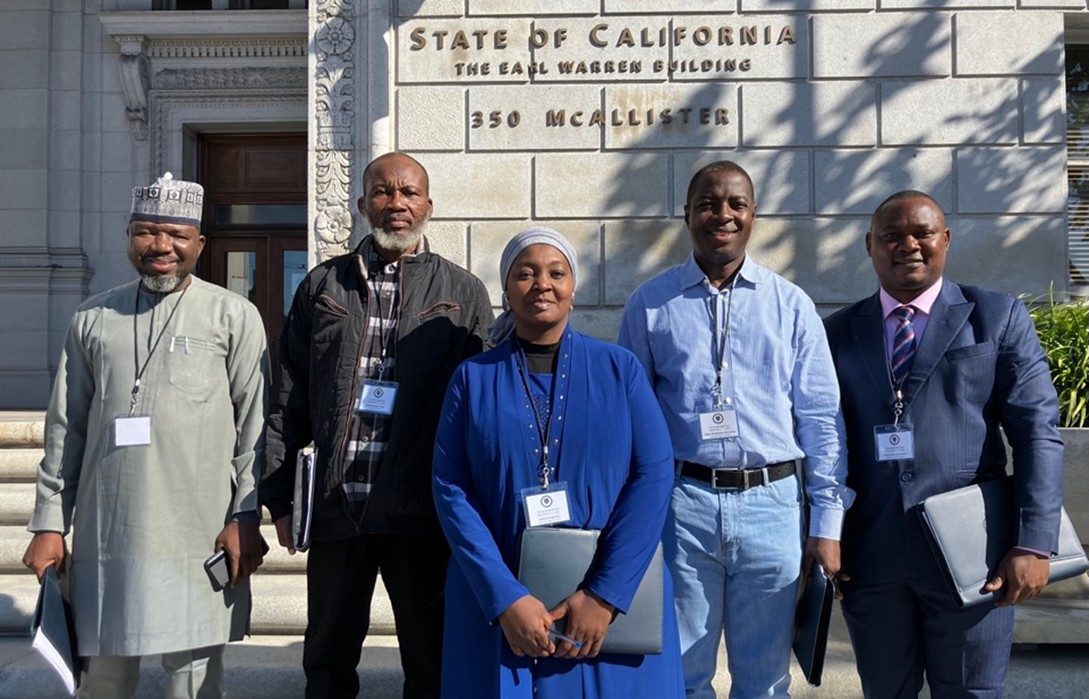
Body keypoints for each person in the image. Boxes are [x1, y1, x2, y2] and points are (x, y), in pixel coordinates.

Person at [21, 173, 268, 698]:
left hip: (199, 534)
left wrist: (245, 516)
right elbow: (66, 426)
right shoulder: (92, 317)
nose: (161, 247)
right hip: (108, 535)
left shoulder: (234, 315)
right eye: (147, 231)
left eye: (177, 235)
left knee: (194, 683)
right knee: (104, 682)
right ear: (128, 236)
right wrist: (48, 523)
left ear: (200, 243)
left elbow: (256, 430)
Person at [261, 152, 494, 698]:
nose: (397, 205)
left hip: (421, 514)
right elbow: (288, 396)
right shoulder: (323, 286)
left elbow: (482, 410)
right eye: (384, 193)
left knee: (431, 664)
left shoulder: (462, 293)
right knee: (327, 662)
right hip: (341, 508)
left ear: (428, 206)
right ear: (363, 204)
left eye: (409, 193)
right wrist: (281, 496)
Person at [618, 160, 853, 697]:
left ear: (753, 216)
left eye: (735, 204)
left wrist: (828, 524)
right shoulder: (649, 304)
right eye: (707, 203)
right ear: (686, 214)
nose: (721, 215)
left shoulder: (791, 305)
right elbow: (634, 423)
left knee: (766, 678)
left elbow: (821, 418)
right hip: (684, 505)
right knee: (682, 673)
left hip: (773, 505)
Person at [823, 190, 1064, 697]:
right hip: (871, 559)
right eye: (891, 236)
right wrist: (825, 536)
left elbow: (1037, 430)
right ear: (870, 245)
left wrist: (1033, 542)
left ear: (946, 240)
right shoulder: (836, 333)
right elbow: (822, 440)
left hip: (975, 558)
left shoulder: (995, 318)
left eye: (921, 233)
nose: (907, 244)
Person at [432, 226, 684, 698]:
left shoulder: (620, 369)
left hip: (607, 599)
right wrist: (506, 598)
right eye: (525, 273)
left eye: (556, 272)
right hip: (504, 599)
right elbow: (451, 487)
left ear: (573, 287)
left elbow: (653, 474)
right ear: (506, 290)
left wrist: (604, 595)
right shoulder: (473, 379)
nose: (541, 284)